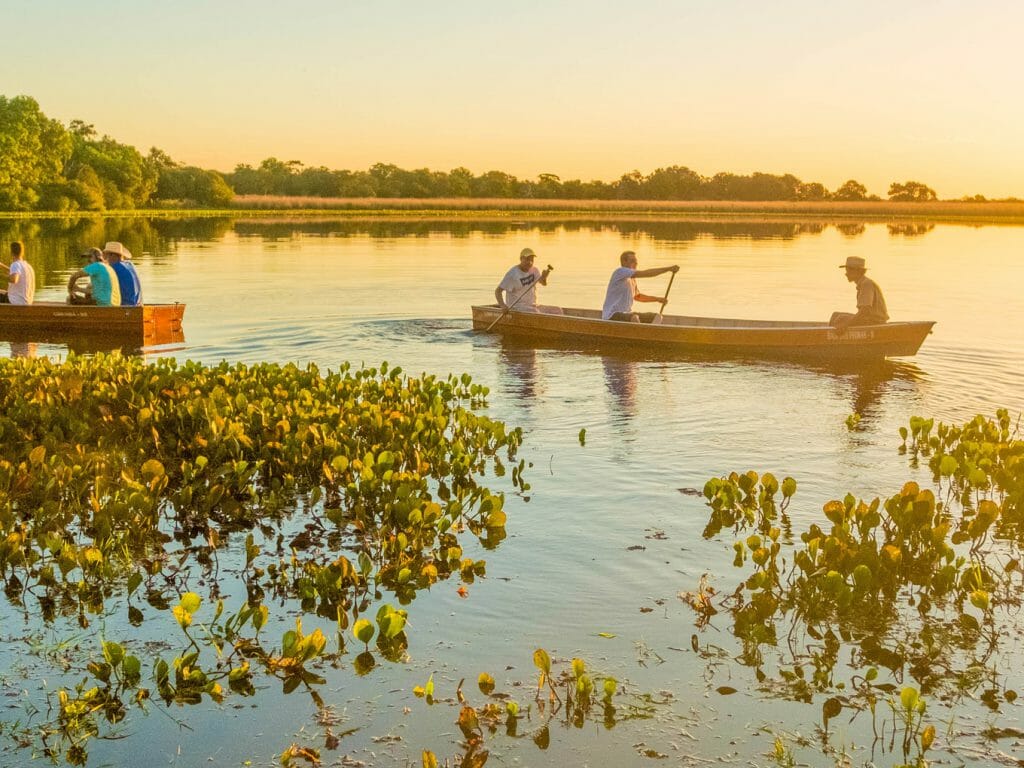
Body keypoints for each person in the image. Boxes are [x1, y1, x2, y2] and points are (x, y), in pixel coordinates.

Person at [601, 251, 679, 322]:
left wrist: (658, 299)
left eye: (636, 261)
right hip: (611, 315)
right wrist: (668, 269)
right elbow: (646, 273)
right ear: (624, 262)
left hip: (627, 314)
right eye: (632, 261)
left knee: (657, 316)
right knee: (634, 318)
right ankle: (641, 335)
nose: (636, 263)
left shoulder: (632, 279)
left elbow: (637, 296)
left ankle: (649, 335)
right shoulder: (620, 271)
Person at [830, 256, 888, 329]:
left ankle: (830, 336)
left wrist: (846, 324)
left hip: (875, 322)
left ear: (858, 271)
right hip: (869, 319)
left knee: (840, 318)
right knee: (835, 315)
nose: (846, 274)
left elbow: (865, 310)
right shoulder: (863, 283)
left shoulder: (866, 284)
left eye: (849, 271)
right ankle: (829, 335)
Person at [495, 247, 551, 313]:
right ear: (521, 259)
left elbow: (543, 283)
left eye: (531, 260)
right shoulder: (513, 274)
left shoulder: (534, 270)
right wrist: (503, 306)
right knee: (535, 312)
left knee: (557, 310)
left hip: (532, 305)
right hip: (516, 307)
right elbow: (498, 291)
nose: (529, 262)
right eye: (527, 259)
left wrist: (544, 277)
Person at [103, 241, 142, 306]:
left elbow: (103, 289)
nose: (106, 259)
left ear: (112, 255)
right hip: (137, 305)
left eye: (106, 255)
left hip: (124, 307)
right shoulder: (130, 264)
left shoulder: (114, 268)